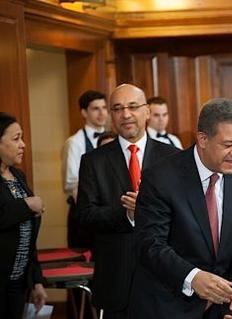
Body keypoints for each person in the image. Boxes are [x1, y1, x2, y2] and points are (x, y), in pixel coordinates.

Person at [129, 98, 232, 319]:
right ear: (203, 139)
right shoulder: (161, 177)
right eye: (228, 145)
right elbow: (150, 244)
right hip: (168, 305)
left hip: (222, 307)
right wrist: (193, 277)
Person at [76, 84, 177, 318]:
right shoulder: (93, 161)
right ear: (111, 115)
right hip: (116, 282)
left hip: (165, 280)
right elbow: (85, 215)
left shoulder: (172, 157)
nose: (126, 114)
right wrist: (127, 215)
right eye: (118, 108)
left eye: (133, 107)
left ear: (147, 111)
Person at [0, 112, 47, 318]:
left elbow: (29, 235)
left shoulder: (18, 175)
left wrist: (35, 280)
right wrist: (27, 204)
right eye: (16, 138)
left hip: (18, 282)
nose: (23, 145)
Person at [62, 90, 108, 248]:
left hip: (112, 213)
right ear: (84, 112)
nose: (102, 113)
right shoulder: (74, 142)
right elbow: (71, 183)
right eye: (96, 108)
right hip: (85, 212)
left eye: (104, 107)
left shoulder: (117, 139)